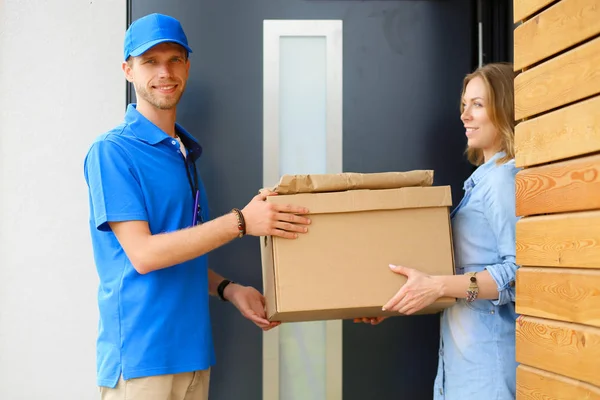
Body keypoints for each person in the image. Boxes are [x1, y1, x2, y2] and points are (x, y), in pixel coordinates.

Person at [84, 13, 310, 400]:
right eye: (150, 62)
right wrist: (241, 222)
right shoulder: (112, 151)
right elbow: (144, 255)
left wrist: (229, 289)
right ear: (128, 70)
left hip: (193, 357)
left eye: (174, 59)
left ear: (187, 66)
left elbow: (179, 250)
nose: (164, 72)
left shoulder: (184, 154)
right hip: (142, 361)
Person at [356, 63, 519, 399]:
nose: (465, 116)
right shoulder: (481, 182)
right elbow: (461, 274)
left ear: (505, 108)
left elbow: (518, 274)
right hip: (461, 365)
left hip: (487, 368)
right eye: (463, 105)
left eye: (478, 104)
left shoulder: (502, 180)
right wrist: (402, 298)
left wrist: (437, 286)